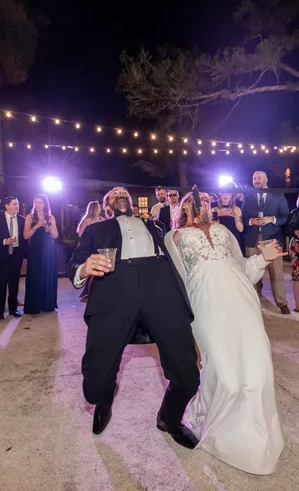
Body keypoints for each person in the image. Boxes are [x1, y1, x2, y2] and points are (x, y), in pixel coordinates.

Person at [67, 187, 200, 448]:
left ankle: (169, 419)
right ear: (107, 206)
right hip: (114, 284)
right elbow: (75, 263)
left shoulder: (154, 225)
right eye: (113, 192)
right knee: (93, 387)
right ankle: (105, 395)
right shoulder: (96, 229)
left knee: (188, 375)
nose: (119, 192)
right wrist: (84, 268)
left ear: (130, 202)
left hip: (160, 284)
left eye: (123, 191)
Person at [166, 191, 285, 475]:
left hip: (242, 300)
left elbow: (243, 268)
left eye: (207, 199)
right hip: (205, 303)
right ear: (184, 206)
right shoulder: (174, 237)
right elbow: (177, 282)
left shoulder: (222, 229)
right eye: (196, 200)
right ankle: (214, 426)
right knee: (226, 375)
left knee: (258, 369)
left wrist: (265, 258)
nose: (202, 203)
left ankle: (255, 442)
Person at [241, 171, 291, 315]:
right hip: (252, 240)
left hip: (272, 239)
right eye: (254, 178)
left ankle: (282, 303)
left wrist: (272, 219)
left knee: (276, 273)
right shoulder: (248, 197)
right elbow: (243, 218)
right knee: (253, 272)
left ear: (266, 179)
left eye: (259, 178)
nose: (256, 180)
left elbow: (285, 217)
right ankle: (253, 301)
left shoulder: (277, 194)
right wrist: (251, 221)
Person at [0, 196, 27, 319]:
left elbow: (25, 240)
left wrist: (25, 257)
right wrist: (5, 241)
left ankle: (13, 309)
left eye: (17, 204)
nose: (17, 206)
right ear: (7, 206)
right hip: (2, 254)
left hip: (16, 254)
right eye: (14, 204)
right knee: (1, 283)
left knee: (14, 283)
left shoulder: (22, 220)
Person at [23, 194, 59, 314]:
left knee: (47, 276)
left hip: (48, 252)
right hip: (35, 251)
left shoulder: (50, 217)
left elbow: (56, 235)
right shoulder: (30, 217)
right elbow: (25, 236)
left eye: (40, 202)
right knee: (35, 276)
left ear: (45, 204)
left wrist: (49, 229)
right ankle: (34, 305)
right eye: (36, 202)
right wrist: (36, 226)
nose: (37, 205)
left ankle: (47, 304)